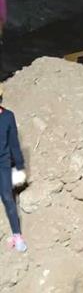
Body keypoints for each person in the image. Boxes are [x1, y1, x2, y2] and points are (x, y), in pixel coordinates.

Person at [0, 85, 26, 252]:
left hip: (3, 164)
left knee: (7, 198)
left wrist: (20, 166)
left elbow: (14, 143)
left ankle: (17, 235)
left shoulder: (8, 116)